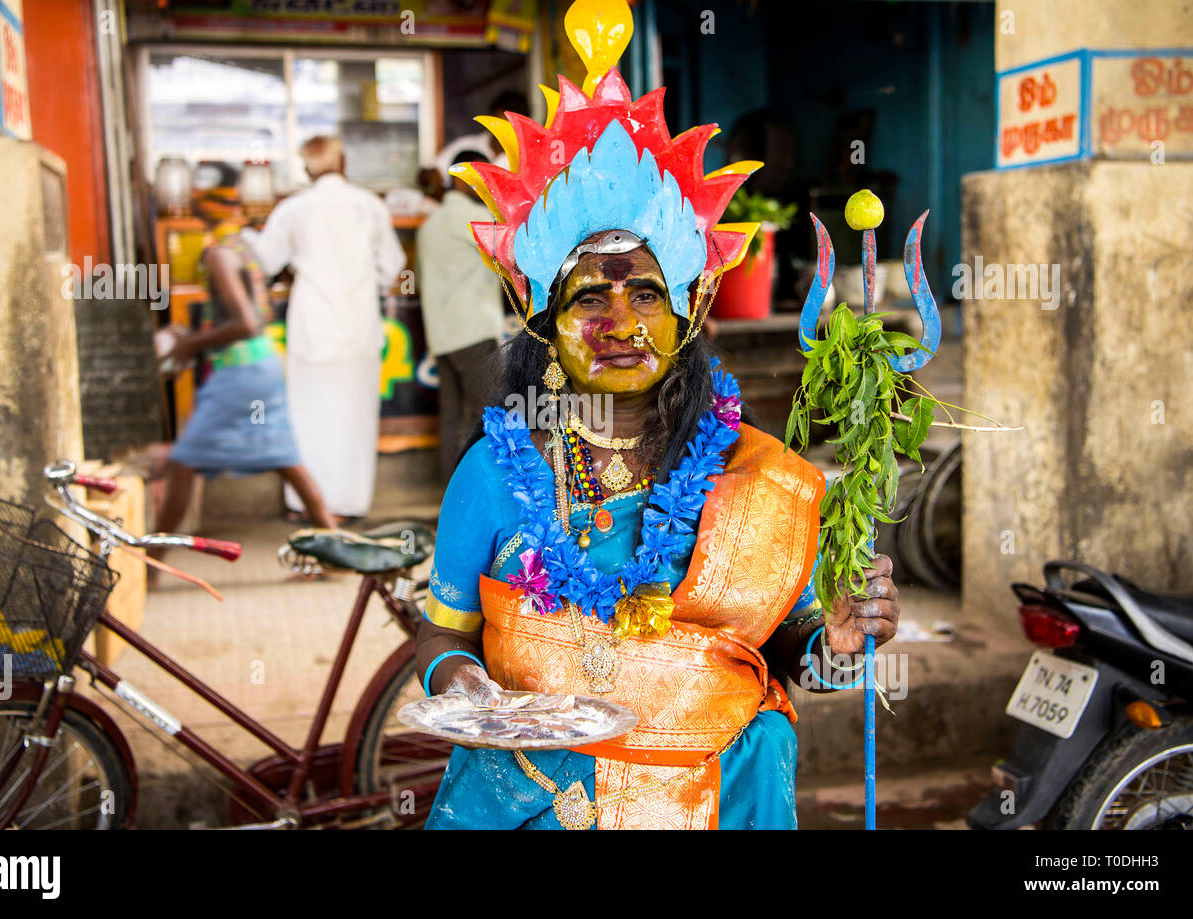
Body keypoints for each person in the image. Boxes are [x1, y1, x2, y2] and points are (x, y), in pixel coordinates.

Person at [413, 0, 901, 830]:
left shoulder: (762, 476)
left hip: (722, 800)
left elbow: (799, 656)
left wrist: (842, 645)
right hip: (540, 800)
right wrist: (463, 685)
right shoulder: (494, 472)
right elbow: (439, 639)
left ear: (693, 308)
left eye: (645, 292)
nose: (618, 322)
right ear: (539, 315)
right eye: (587, 296)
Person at [153, 188, 336, 568]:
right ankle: (335, 550)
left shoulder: (219, 254)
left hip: (240, 372)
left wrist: (189, 345)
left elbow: (245, 322)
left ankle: (151, 564)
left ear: (201, 212)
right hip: (260, 366)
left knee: (186, 460)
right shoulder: (243, 248)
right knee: (286, 459)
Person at [245, 136, 405, 520]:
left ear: (305, 169)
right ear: (344, 161)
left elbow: (265, 261)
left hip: (313, 330)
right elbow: (393, 265)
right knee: (355, 422)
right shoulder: (370, 206)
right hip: (358, 330)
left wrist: (249, 233)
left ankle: (307, 506)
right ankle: (350, 505)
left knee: (309, 421)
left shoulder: (293, 208)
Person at [416, 151, 504, 481]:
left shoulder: (429, 225)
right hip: (474, 330)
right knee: (487, 415)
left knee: (452, 418)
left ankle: (450, 496)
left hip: (442, 335)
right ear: (460, 178)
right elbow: (512, 253)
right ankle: (484, 495)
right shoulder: (474, 217)